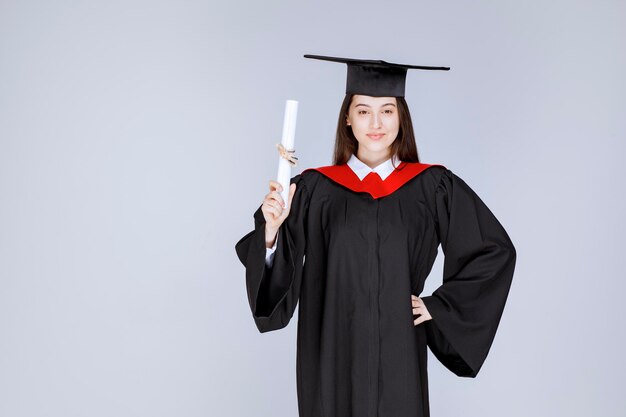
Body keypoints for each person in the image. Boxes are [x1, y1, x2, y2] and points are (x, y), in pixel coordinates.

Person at [235, 54, 516, 417]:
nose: (376, 123)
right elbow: (274, 282)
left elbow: (492, 251)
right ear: (347, 119)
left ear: (402, 118)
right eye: (364, 111)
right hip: (330, 347)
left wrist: (439, 306)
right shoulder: (311, 190)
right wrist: (271, 232)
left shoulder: (432, 187)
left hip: (398, 346)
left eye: (387, 110)